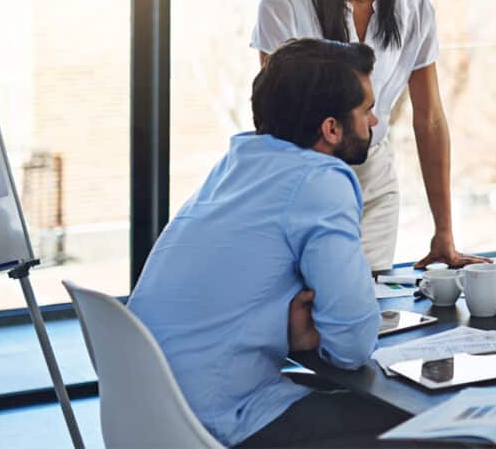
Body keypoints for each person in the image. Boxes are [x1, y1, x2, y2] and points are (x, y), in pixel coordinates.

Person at [128, 39, 408, 448]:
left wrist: (289, 333)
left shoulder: (235, 165)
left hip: (149, 416)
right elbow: (352, 345)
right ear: (331, 128)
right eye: (366, 110)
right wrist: (318, 337)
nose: (375, 120)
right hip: (221, 423)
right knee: (431, 425)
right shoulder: (320, 180)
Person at [250, 0, 487, 272]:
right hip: (302, 178)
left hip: (373, 176)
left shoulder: (414, 9)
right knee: (307, 297)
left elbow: (429, 119)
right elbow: (274, 119)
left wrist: (444, 231)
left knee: (369, 296)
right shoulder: (285, 3)